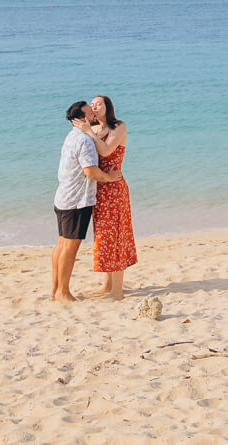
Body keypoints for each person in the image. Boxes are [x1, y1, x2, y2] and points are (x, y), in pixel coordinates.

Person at [51, 100, 121, 303]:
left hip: (63, 197)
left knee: (61, 245)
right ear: (82, 119)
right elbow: (90, 171)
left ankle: (55, 290)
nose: (94, 115)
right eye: (90, 113)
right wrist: (109, 178)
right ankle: (63, 293)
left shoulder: (71, 136)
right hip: (77, 201)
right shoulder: (85, 140)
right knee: (70, 248)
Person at [84, 94, 138, 300]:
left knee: (116, 236)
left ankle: (118, 289)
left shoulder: (119, 126)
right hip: (99, 188)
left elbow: (106, 151)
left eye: (98, 103)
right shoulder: (93, 129)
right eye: (92, 104)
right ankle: (107, 284)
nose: (94, 106)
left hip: (115, 187)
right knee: (104, 236)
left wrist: (89, 131)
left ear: (107, 106)